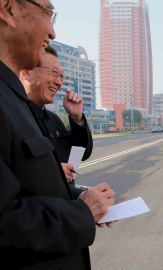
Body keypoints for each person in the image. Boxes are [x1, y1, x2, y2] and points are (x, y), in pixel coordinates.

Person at [0, 0, 115, 269]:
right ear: (7, 10)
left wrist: (82, 202)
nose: (52, 32)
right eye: (47, 13)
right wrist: (81, 212)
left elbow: (31, 188)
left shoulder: (20, 105)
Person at [20, 45, 93, 189]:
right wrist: (51, 173)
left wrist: (76, 118)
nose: (59, 82)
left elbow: (81, 154)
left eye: (61, 76)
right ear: (27, 72)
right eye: (53, 73)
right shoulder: (12, 118)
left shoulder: (53, 120)